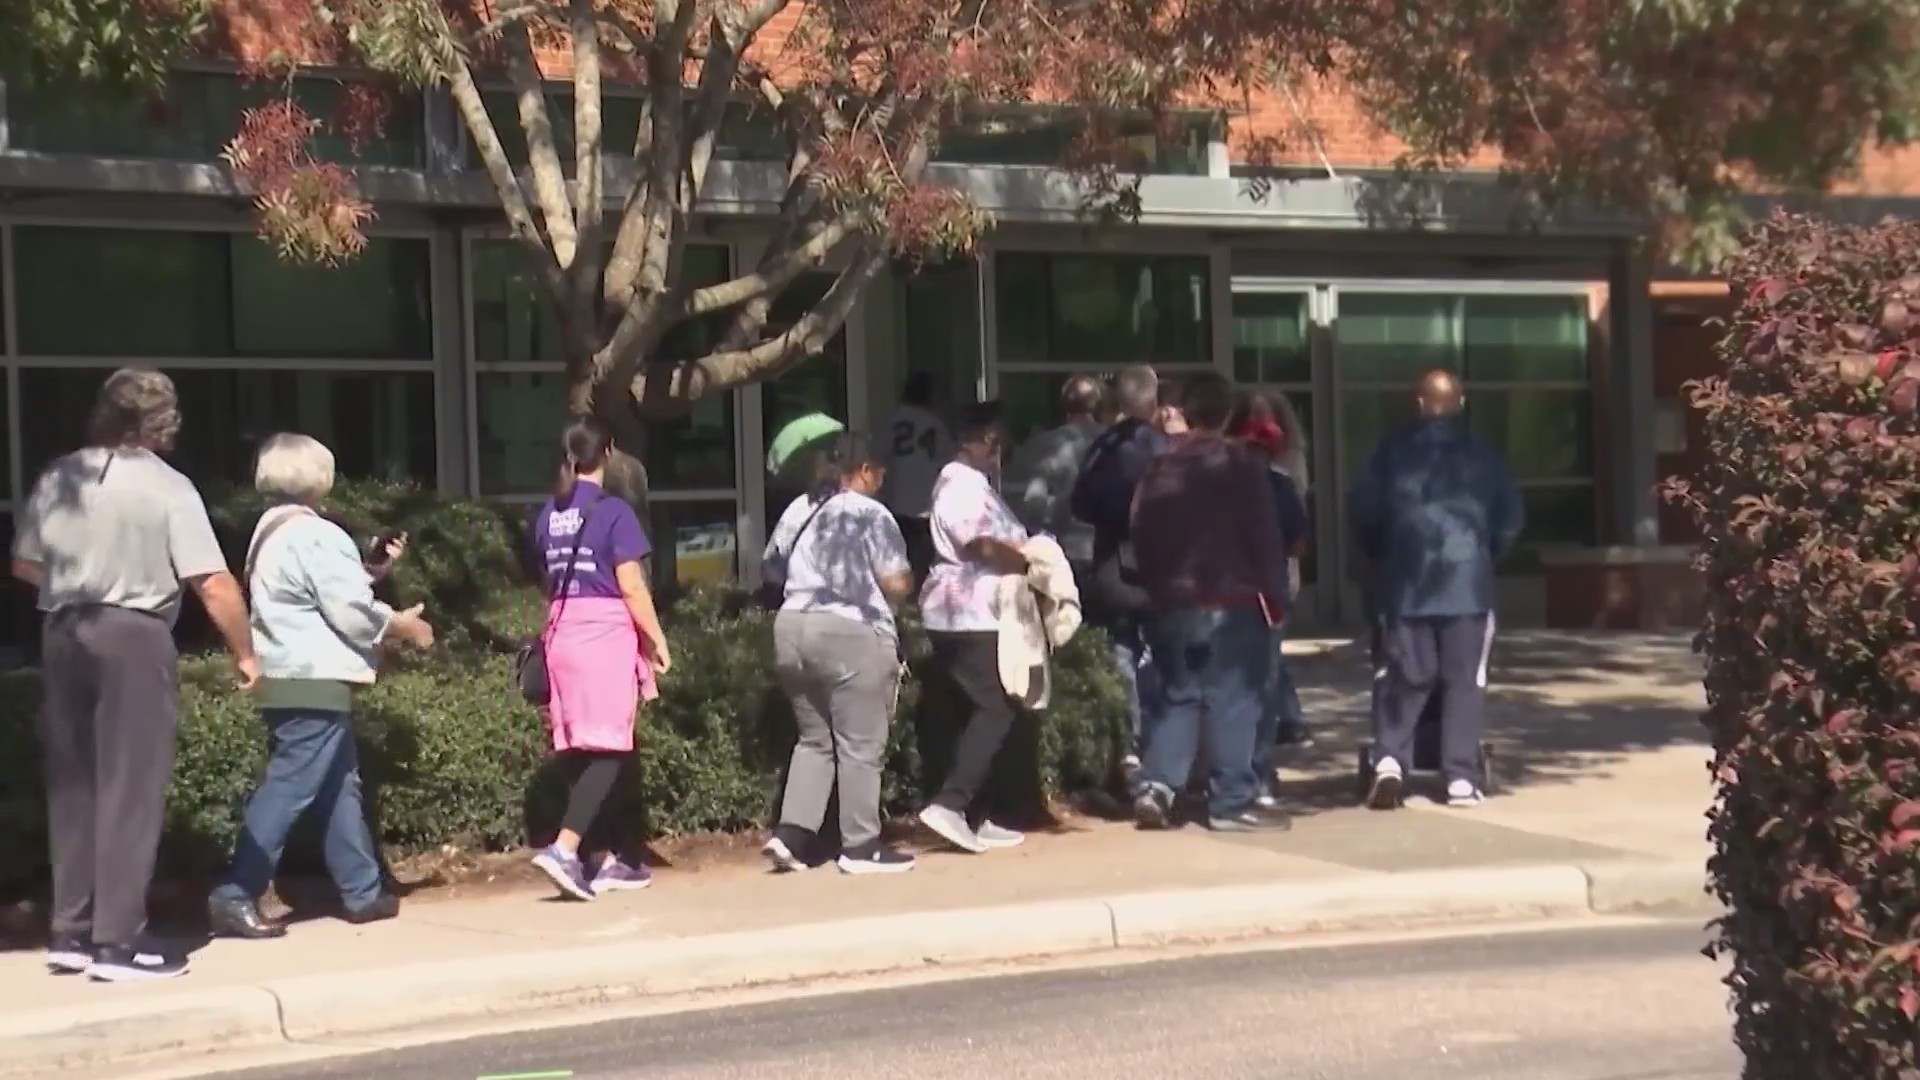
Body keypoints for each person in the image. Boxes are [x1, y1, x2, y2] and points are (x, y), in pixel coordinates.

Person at [10, 369, 259, 981]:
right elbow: (212, 581)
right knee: (130, 787)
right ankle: (118, 942)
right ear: (163, 422)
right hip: (134, 633)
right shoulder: (167, 485)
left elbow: (24, 564)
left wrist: (79, 584)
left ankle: (71, 931)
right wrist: (246, 652)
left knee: (74, 785)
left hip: (63, 629)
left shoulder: (60, 475)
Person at [206, 435, 436, 941]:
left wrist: (370, 570)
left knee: (337, 783)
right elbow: (350, 610)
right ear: (319, 477)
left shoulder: (269, 531)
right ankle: (235, 892)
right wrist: (403, 625)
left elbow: (315, 593)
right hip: (315, 677)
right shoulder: (317, 534)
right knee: (290, 786)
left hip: (284, 674)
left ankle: (362, 890)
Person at [1350, 369, 1522, 811]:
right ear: (1460, 405)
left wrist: (1385, 558)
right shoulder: (1484, 456)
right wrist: (1482, 556)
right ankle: (1460, 776)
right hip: (1467, 585)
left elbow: (1365, 512)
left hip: (1406, 584)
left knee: (1405, 673)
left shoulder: (1390, 453)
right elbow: (1509, 520)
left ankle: (1391, 758)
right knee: (1464, 681)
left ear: (1419, 403)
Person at [1129, 372, 1293, 833]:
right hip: (1233, 597)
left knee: (1181, 695)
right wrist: (1275, 597)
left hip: (1175, 599)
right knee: (1233, 701)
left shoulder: (1160, 468)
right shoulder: (1240, 465)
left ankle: (1157, 785)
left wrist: (1158, 588)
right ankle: (1231, 801)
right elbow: (1263, 535)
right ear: (1226, 415)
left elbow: (1141, 532)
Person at [527, 417, 673, 900]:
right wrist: (656, 638)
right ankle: (565, 849)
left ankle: (608, 859)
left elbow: (547, 579)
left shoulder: (548, 514)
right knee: (610, 748)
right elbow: (631, 585)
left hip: (561, 631)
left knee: (581, 749)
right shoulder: (614, 512)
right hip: (604, 634)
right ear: (607, 453)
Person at [760, 433, 918, 875]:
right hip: (850, 630)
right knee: (860, 744)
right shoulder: (870, 513)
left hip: (792, 626)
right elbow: (894, 582)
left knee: (814, 739)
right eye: (879, 472)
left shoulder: (801, 507)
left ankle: (792, 836)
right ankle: (861, 846)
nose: (881, 481)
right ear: (864, 470)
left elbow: (771, 566)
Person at [916, 404, 1032, 855]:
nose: (1000, 452)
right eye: (995, 442)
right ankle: (951, 804)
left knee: (971, 710)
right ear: (978, 440)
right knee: (997, 706)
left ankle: (975, 815)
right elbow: (982, 544)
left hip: (969, 611)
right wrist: (1030, 562)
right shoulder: (962, 486)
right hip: (968, 613)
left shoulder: (973, 485)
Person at [1069, 365, 1169, 768]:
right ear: (1154, 400)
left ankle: (1130, 744)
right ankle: (1160, 745)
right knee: (1163, 655)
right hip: (1162, 570)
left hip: (1116, 567)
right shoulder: (1166, 449)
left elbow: (1080, 504)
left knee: (1124, 653)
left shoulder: (1104, 449)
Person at [1233, 415, 1311, 809]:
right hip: (1267, 596)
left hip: (1228, 594)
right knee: (1262, 684)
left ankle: (1233, 773)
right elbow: (1298, 543)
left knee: (1229, 688)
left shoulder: (1222, 486)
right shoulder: (1279, 487)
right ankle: (1258, 773)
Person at [1007, 375, 1105, 579]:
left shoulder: (1043, 444)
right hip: (1106, 551)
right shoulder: (1111, 442)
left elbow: (1033, 502)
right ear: (1097, 404)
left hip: (1063, 551)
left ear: (1063, 405)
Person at [878, 372, 953, 583]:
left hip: (897, 502)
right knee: (924, 566)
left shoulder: (891, 420)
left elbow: (880, 457)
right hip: (927, 503)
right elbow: (947, 459)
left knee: (899, 562)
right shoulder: (934, 422)